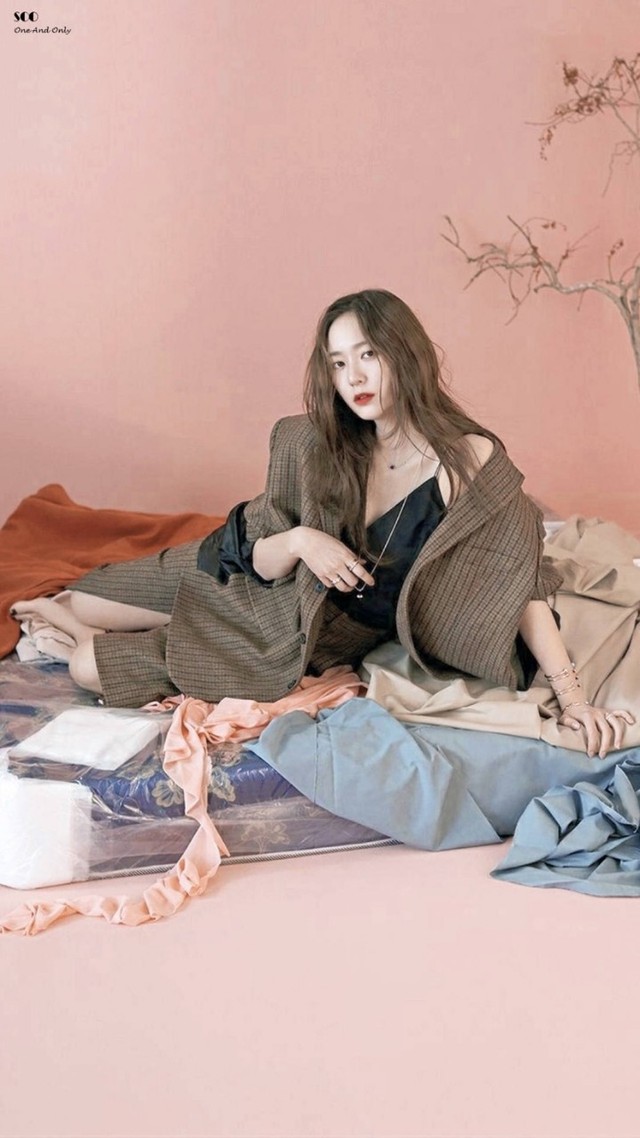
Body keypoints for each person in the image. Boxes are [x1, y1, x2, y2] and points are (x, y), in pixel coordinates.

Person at [32, 289, 634, 758]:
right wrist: (303, 540)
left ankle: (80, 628)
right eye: (339, 362)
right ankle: (79, 614)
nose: (354, 379)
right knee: (85, 596)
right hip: (249, 579)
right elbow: (258, 557)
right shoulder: (315, 442)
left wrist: (574, 700)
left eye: (369, 355)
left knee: (88, 664)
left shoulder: (468, 460)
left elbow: (518, 582)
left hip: (299, 634)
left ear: (406, 354)